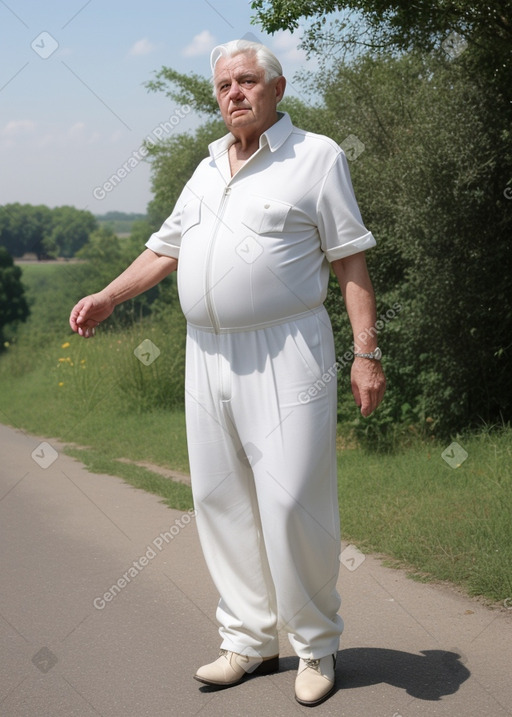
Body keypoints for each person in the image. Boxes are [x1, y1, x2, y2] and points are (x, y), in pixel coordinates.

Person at [69, 39, 386, 707]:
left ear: (277, 89)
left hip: (287, 348)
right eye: (223, 85)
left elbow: (350, 260)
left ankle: (316, 645)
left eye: (246, 81)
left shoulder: (316, 157)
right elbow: (166, 248)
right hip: (206, 352)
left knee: (293, 498)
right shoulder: (209, 166)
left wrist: (366, 351)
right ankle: (248, 639)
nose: (234, 93)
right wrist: (108, 296)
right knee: (220, 497)